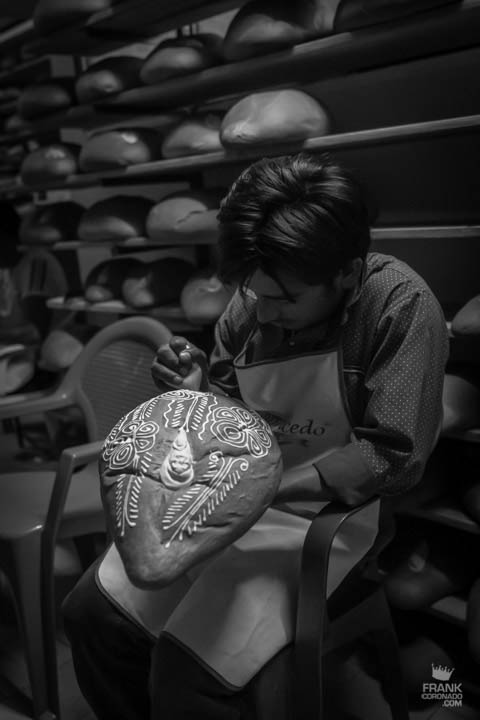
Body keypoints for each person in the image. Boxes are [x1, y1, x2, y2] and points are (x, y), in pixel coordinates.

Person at [63, 153, 449, 720]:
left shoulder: (398, 307)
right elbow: (233, 417)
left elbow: (392, 455)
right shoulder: (253, 298)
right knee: (92, 615)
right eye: (253, 292)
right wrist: (198, 397)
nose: (260, 313)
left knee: (188, 674)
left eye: (284, 299)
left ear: (347, 271)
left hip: (330, 525)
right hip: (233, 503)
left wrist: (263, 489)